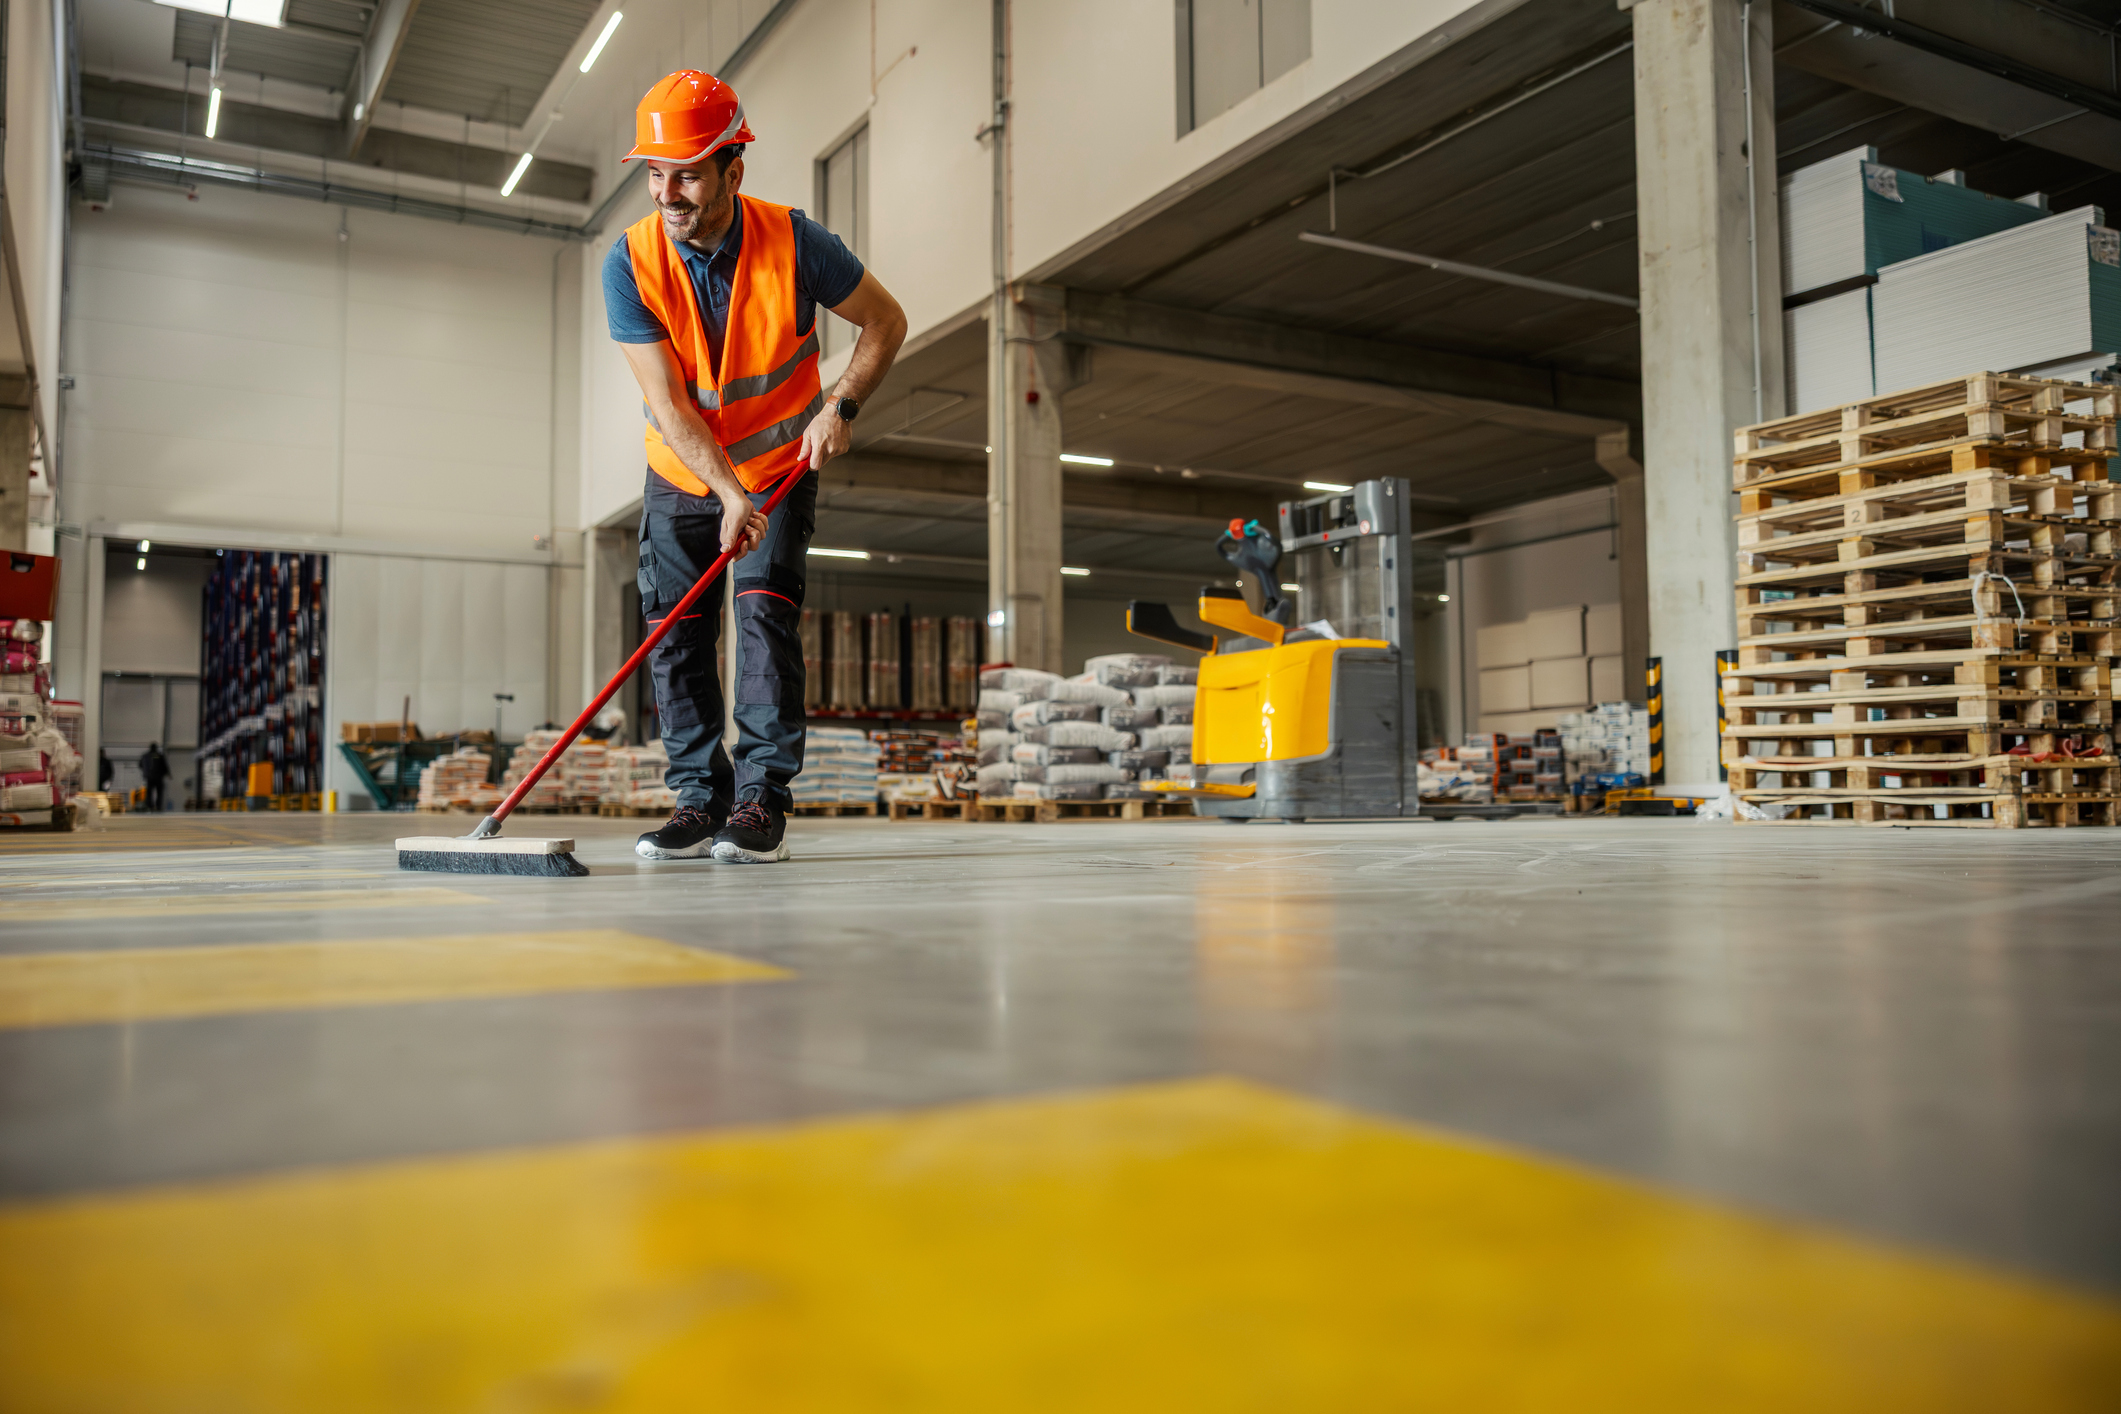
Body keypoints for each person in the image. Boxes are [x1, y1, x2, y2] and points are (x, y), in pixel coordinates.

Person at [607, 70, 905, 865]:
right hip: (681, 475)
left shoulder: (797, 242)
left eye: (688, 171)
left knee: (763, 620)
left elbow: (885, 321)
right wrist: (725, 493)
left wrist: (839, 406)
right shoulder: (629, 262)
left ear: (733, 169)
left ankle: (759, 800)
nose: (668, 191)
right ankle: (698, 799)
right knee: (675, 634)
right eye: (656, 172)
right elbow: (669, 406)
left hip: (778, 465)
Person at [139, 742, 170, 813]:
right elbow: (164, 766)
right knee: (159, 793)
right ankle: (158, 806)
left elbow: (140, 765)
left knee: (149, 793)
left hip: (150, 778)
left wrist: (146, 773)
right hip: (158, 777)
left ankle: (150, 806)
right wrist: (167, 774)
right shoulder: (159, 755)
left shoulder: (146, 756)